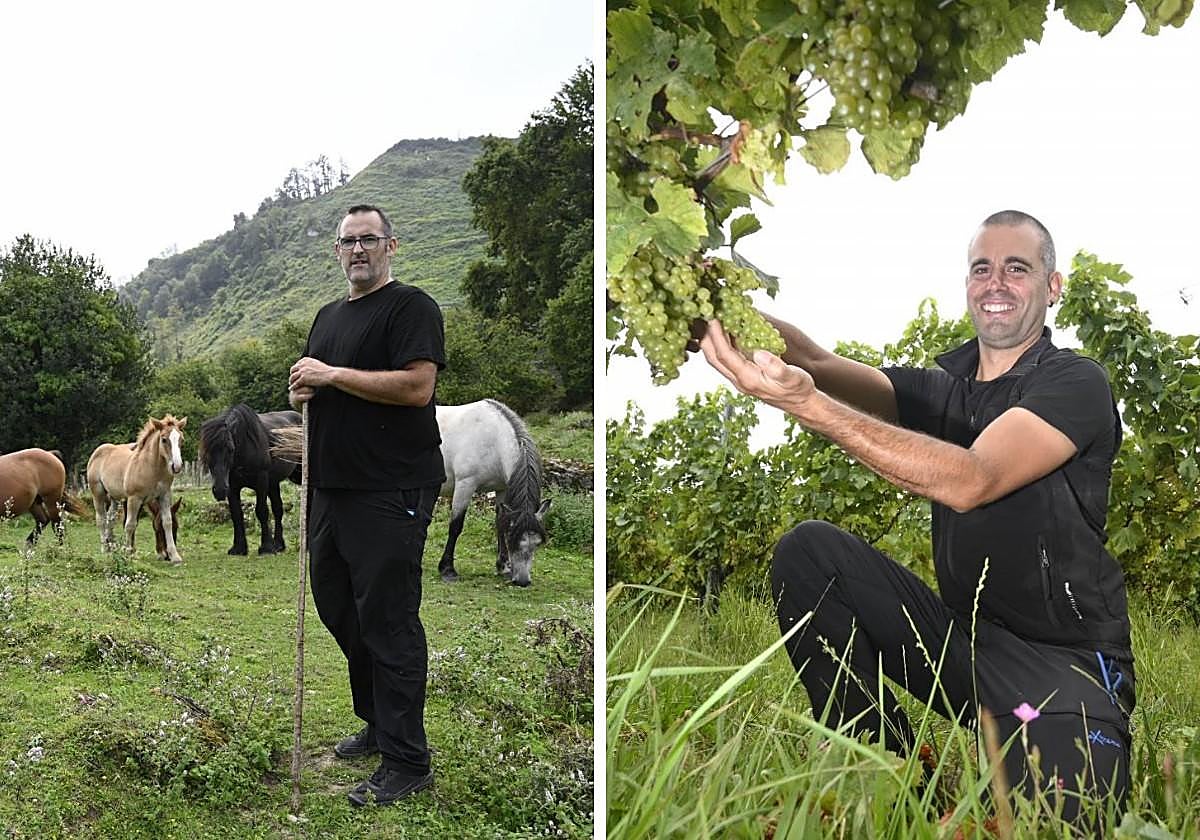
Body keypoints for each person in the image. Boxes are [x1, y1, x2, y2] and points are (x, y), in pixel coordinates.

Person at [699, 210, 1134, 823]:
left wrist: (806, 406)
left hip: (1062, 670)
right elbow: (815, 361)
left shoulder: (1075, 383)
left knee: (1052, 828)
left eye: (1018, 268)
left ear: (1052, 286)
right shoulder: (945, 393)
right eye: (982, 268)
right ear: (967, 284)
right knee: (811, 554)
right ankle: (893, 770)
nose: (996, 283)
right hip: (964, 647)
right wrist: (714, 306)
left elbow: (972, 479)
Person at [288, 204, 446, 806]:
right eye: (348, 241)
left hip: (391, 489)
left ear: (390, 246)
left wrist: (331, 375)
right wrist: (306, 386)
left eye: (368, 239)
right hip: (331, 486)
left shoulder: (411, 308)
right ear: (336, 252)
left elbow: (417, 388)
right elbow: (318, 387)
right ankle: (378, 721)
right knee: (338, 606)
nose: (358, 249)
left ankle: (408, 761)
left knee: (389, 620)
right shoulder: (327, 317)